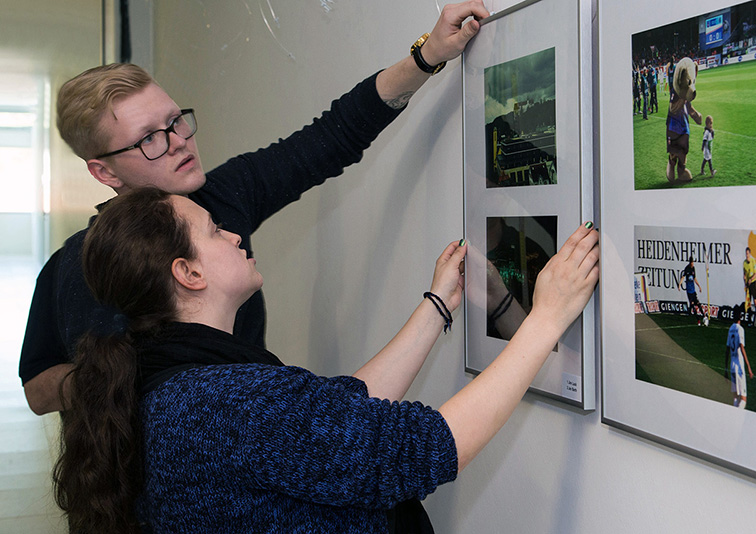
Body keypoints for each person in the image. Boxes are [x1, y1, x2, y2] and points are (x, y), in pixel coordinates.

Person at [19, 1, 492, 416]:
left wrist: (427, 55)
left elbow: (332, 137)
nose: (180, 141)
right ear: (105, 173)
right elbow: (39, 389)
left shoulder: (220, 197)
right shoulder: (80, 267)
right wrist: (122, 379)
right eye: (149, 139)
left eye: (175, 121)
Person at [52, 188, 599, 533]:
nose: (236, 233)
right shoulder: (221, 401)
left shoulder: (174, 384)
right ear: (188, 273)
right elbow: (428, 446)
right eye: (215, 231)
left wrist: (436, 306)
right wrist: (546, 318)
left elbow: (335, 417)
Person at [726, 305, 753, 409]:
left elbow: (727, 349)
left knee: (735, 398)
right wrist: (749, 367)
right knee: (743, 399)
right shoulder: (740, 329)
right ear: (741, 316)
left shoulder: (730, 329)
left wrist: (725, 368)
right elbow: (742, 347)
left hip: (732, 366)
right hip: (739, 367)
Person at [678, 257, 706, 325]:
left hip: (693, 291)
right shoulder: (687, 268)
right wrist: (679, 285)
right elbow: (683, 277)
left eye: (693, 263)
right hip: (689, 291)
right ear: (690, 263)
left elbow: (695, 278)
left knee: (698, 304)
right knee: (693, 305)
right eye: (692, 263)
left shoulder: (693, 268)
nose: (693, 264)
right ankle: (698, 320)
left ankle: (704, 317)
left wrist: (699, 286)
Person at [743, 246, 756, 326]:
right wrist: (745, 280)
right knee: (748, 302)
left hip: (753, 283)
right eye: (746, 254)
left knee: (755, 301)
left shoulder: (753, 262)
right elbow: (744, 274)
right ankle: (749, 320)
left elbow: (755, 274)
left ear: (750, 254)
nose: (747, 255)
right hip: (748, 284)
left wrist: (750, 279)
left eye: (748, 254)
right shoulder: (744, 263)